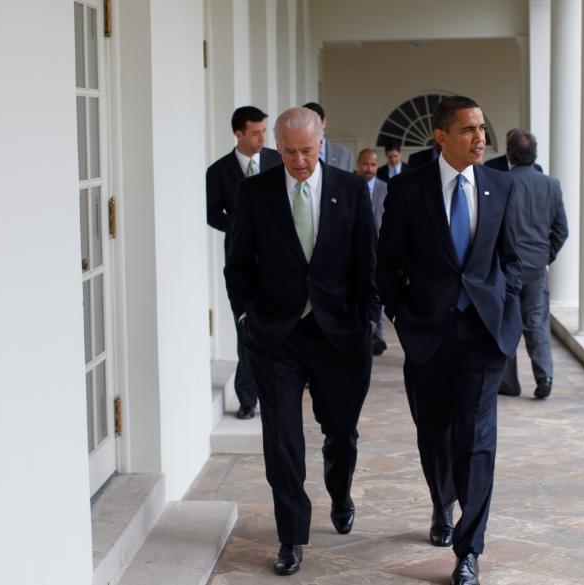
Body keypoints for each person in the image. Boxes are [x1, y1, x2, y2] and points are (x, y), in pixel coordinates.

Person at [224, 107, 377, 577]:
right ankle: (291, 535)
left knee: (341, 433)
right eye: (288, 151)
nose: (298, 161)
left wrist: (368, 321)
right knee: (283, 439)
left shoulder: (350, 191)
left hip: (338, 336)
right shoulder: (255, 192)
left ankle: (341, 491)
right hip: (277, 336)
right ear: (277, 146)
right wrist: (247, 317)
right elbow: (237, 263)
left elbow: (367, 263)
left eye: (306, 151)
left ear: (321, 140)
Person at [377, 96, 522, 585]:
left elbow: (513, 260)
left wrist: (509, 313)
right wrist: (401, 315)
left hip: (483, 334)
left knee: (477, 439)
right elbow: (387, 265)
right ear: (441, 137)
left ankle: (468, 550)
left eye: (482, 128)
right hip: (428, 336)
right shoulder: (408, 191)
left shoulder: (501, 186)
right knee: (433, 433)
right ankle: (442, 504)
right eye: (468, 130)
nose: (480, 138)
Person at [206, 106, 282, 419]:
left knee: (280, 327)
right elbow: (211, 214)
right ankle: (248, 399)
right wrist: (240, 227)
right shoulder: (218, 171)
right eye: (256, 132)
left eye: (264, 130)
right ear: (239, 134)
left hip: (280, 260)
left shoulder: (278, 161)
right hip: (241, 262)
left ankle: (279, 393)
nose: (263, 137)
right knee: (246, 328)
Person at [495, 130, 568, 399]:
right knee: (536, 321)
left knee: (507, 321)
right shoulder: (551, 185)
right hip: (536, 266)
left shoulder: (501, 182)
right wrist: (545, 255)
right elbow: (562, 229)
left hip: (507, 266)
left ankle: (508, 382)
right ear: (534, 153)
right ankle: (544, 375)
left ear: (509, 152)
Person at [356, 148, 390, 355]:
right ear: (358, 164)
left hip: (378, 251)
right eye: (365, 164)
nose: (369, 168)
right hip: (356, 250)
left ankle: (376, 334)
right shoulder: (349, 185)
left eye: (373, 164)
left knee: (377, 294)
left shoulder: (385, 188)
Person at [301, 102, 354, 171]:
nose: (311, 128)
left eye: (315, 123)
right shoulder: (290, 153)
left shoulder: (345, 155)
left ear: (324, 122)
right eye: (307, 123)